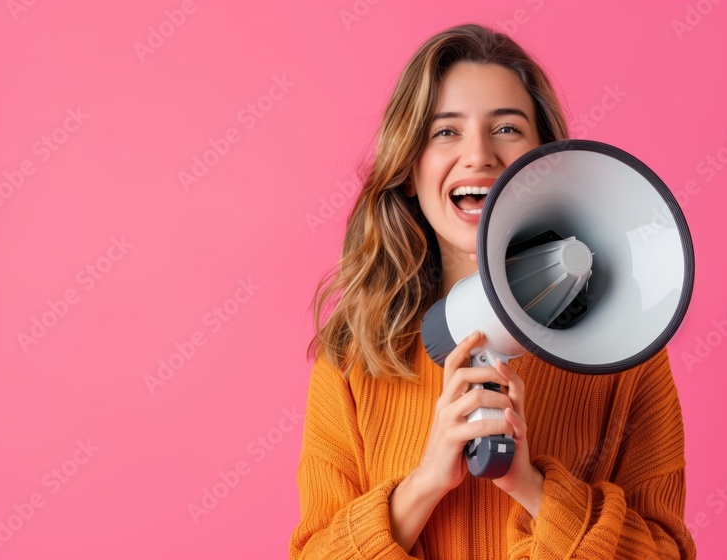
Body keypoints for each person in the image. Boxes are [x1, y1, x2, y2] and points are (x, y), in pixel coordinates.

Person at [289, 23, 695, 559]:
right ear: (409, 169)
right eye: (445, 131)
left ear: (546, 158)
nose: (479, 155)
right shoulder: (353, 359)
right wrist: (426, 482)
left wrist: (531, 486)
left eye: (506, 128)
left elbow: (667, 552)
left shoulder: (624, 352)